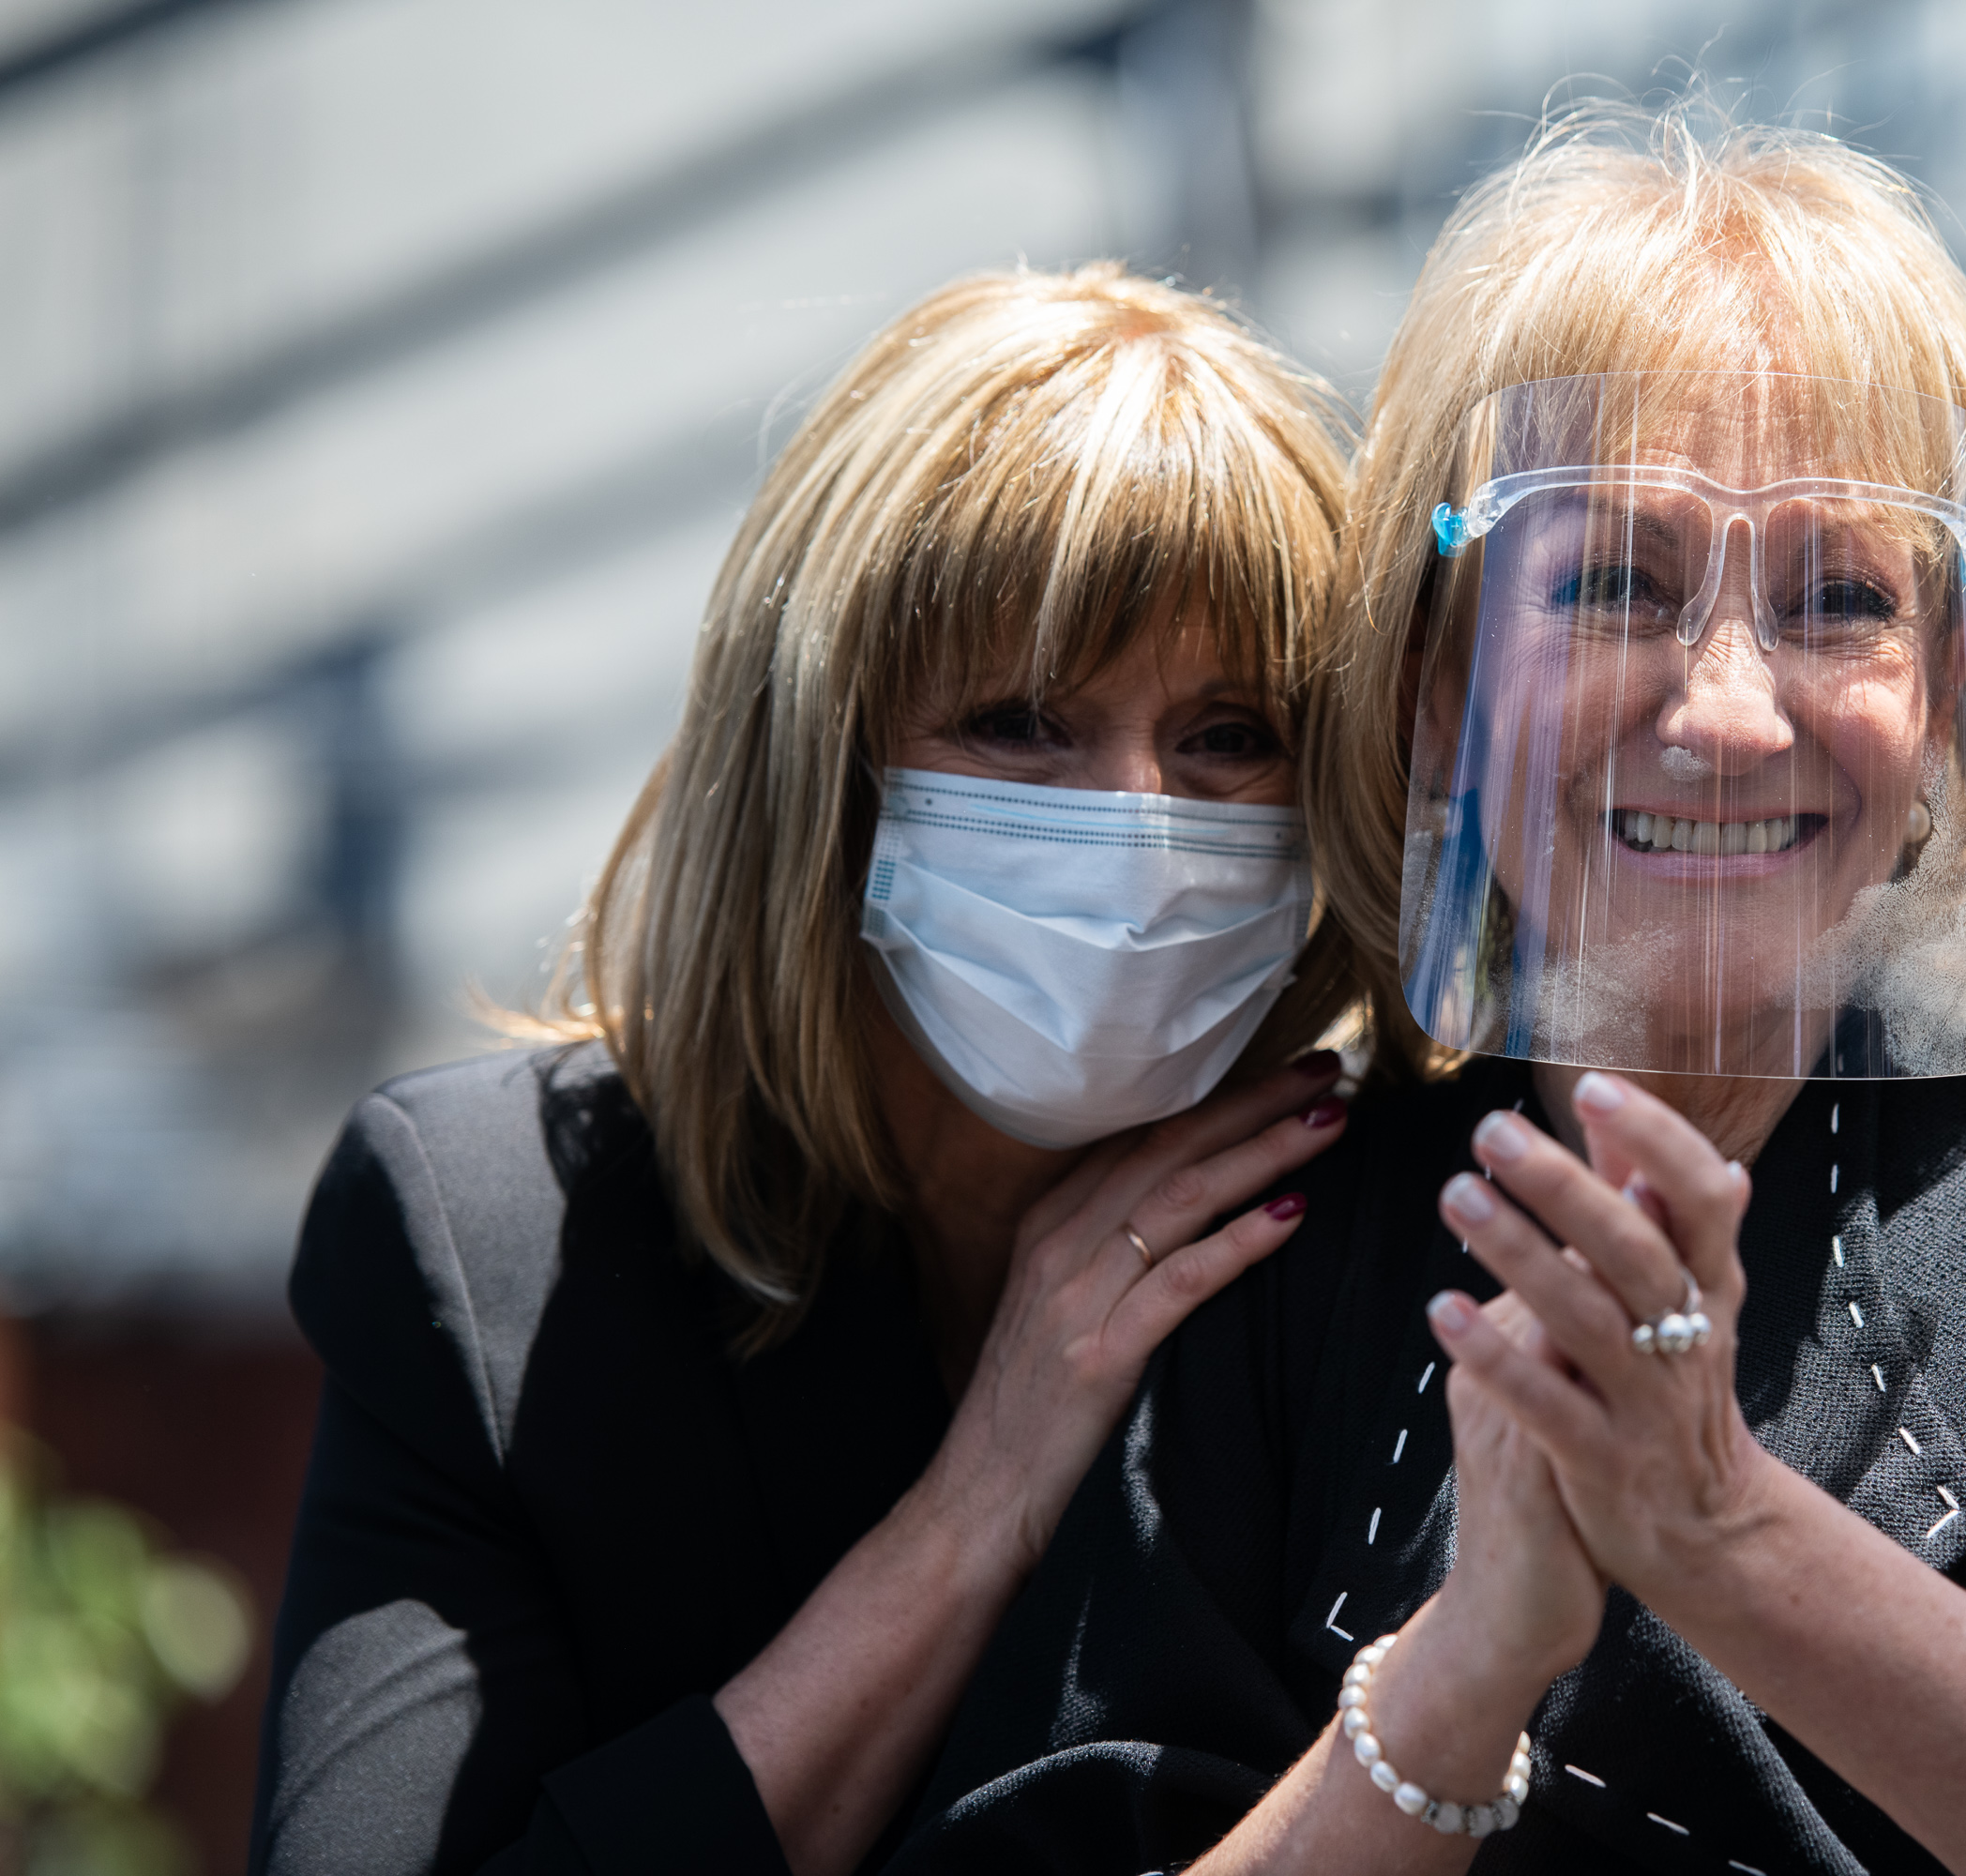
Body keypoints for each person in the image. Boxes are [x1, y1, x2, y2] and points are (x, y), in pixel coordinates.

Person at [893, 106, 1966, 1875]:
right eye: (1616, 581)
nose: (1726, 710)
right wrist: (1456, 1678)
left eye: (1839, 596)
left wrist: (1717, 1530)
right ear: (1435, 684)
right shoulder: (1265, 1241)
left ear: (1951, 691)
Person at [248, 265, 1369, 1876]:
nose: (1137, 823)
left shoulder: (1383, 1236)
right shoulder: (492, 1248)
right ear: (820, 765)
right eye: (1022, 721)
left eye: (1230, 736)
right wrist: (980, 1503)